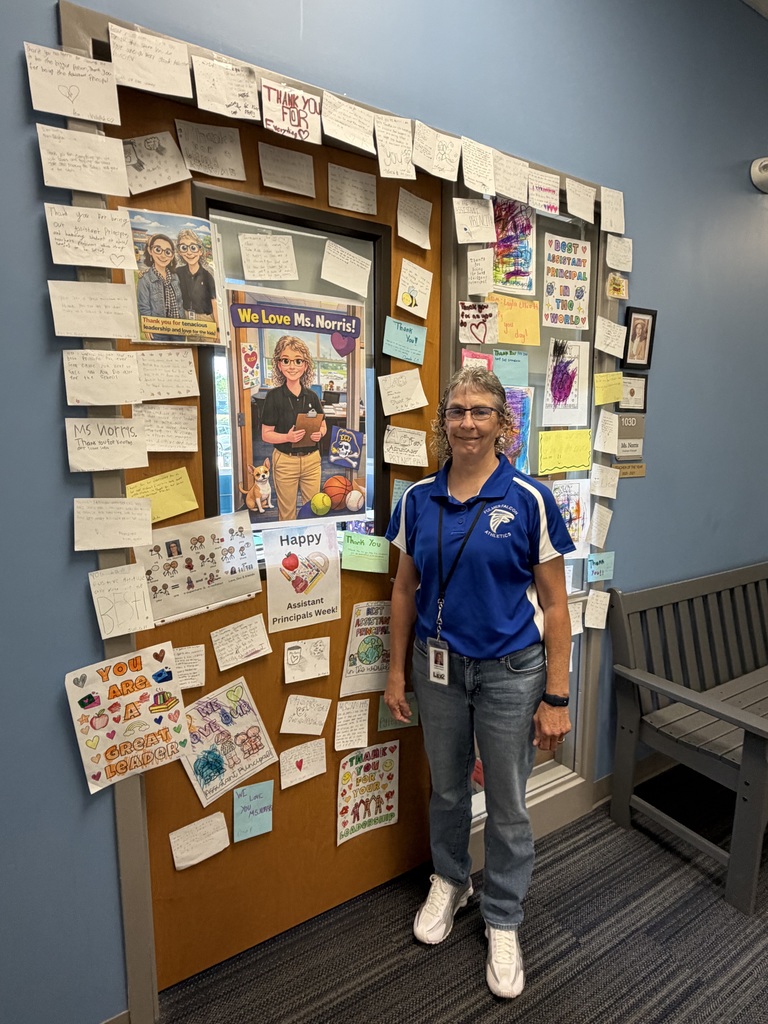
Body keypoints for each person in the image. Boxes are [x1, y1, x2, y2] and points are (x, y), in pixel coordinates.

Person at [384, 366, 574, 1000]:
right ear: (444, 422)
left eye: (480, 411)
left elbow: (556, 606)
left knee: (509, 803)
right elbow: (404, 589)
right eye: (457, 411)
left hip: (511, 673)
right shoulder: (417, 499)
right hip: (437, 668)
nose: (467, 422)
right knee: (446, 788)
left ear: (501, 422)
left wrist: (556, 696)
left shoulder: (529, 499)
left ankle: (504, 915)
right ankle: (451, 879)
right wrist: (395, 672)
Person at [261, 335, 327, 521]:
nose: (292, 366)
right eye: (286, 361)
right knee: (287, 514)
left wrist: (320, 433)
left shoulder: (312, 396)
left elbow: (323, 424)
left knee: (313, 511)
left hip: (312, 461)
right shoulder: (273, 397)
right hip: (285, 461)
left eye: (298, 361)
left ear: (305, 365)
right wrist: (287, 437)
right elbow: (266, 434)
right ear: (279, 365)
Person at [136, 233, 184, 341]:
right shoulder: (145, 278)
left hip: (178, 329)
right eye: (158, 250)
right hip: (158, 330)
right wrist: (147, 326)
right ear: (150, 251)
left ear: (172, 256)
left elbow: (180, 302)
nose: (163, 255)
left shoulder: (175, 277)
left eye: (167, 252)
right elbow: (144, 306)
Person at [175, 228, 218, 328]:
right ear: (180, 252)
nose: (189, 252)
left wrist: (218, 328)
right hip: (186, 319)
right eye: (184, 248)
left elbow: (214, 303)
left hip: (205, 319)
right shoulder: (178, 272)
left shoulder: (207, 276)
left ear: (200, 251)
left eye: (193, 248)